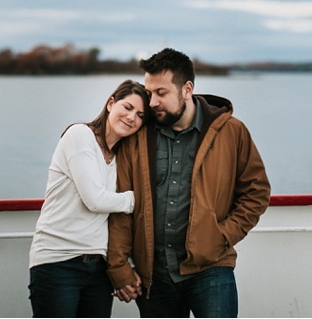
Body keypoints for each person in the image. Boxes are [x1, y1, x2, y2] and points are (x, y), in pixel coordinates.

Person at [107, 49, 271, 318]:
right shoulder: (138, 136)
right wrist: (119, 266)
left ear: (187, 89)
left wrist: (223, 236)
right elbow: (122, 204)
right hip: (154, 276)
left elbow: (256, 191)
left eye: (161, 93)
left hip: (211, 269)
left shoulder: (232, 131)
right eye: (149, 93)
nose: (151, 103)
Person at [29, 80, 151, 318]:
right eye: (127, 107)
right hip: (57, 262)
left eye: (140, 115)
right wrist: (142, 201)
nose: (131, 118)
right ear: (110, 104)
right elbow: (94, 200)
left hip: (98, 269)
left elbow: (117, 221)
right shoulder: (80, 135)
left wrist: (123, 268)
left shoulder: (121, 159)